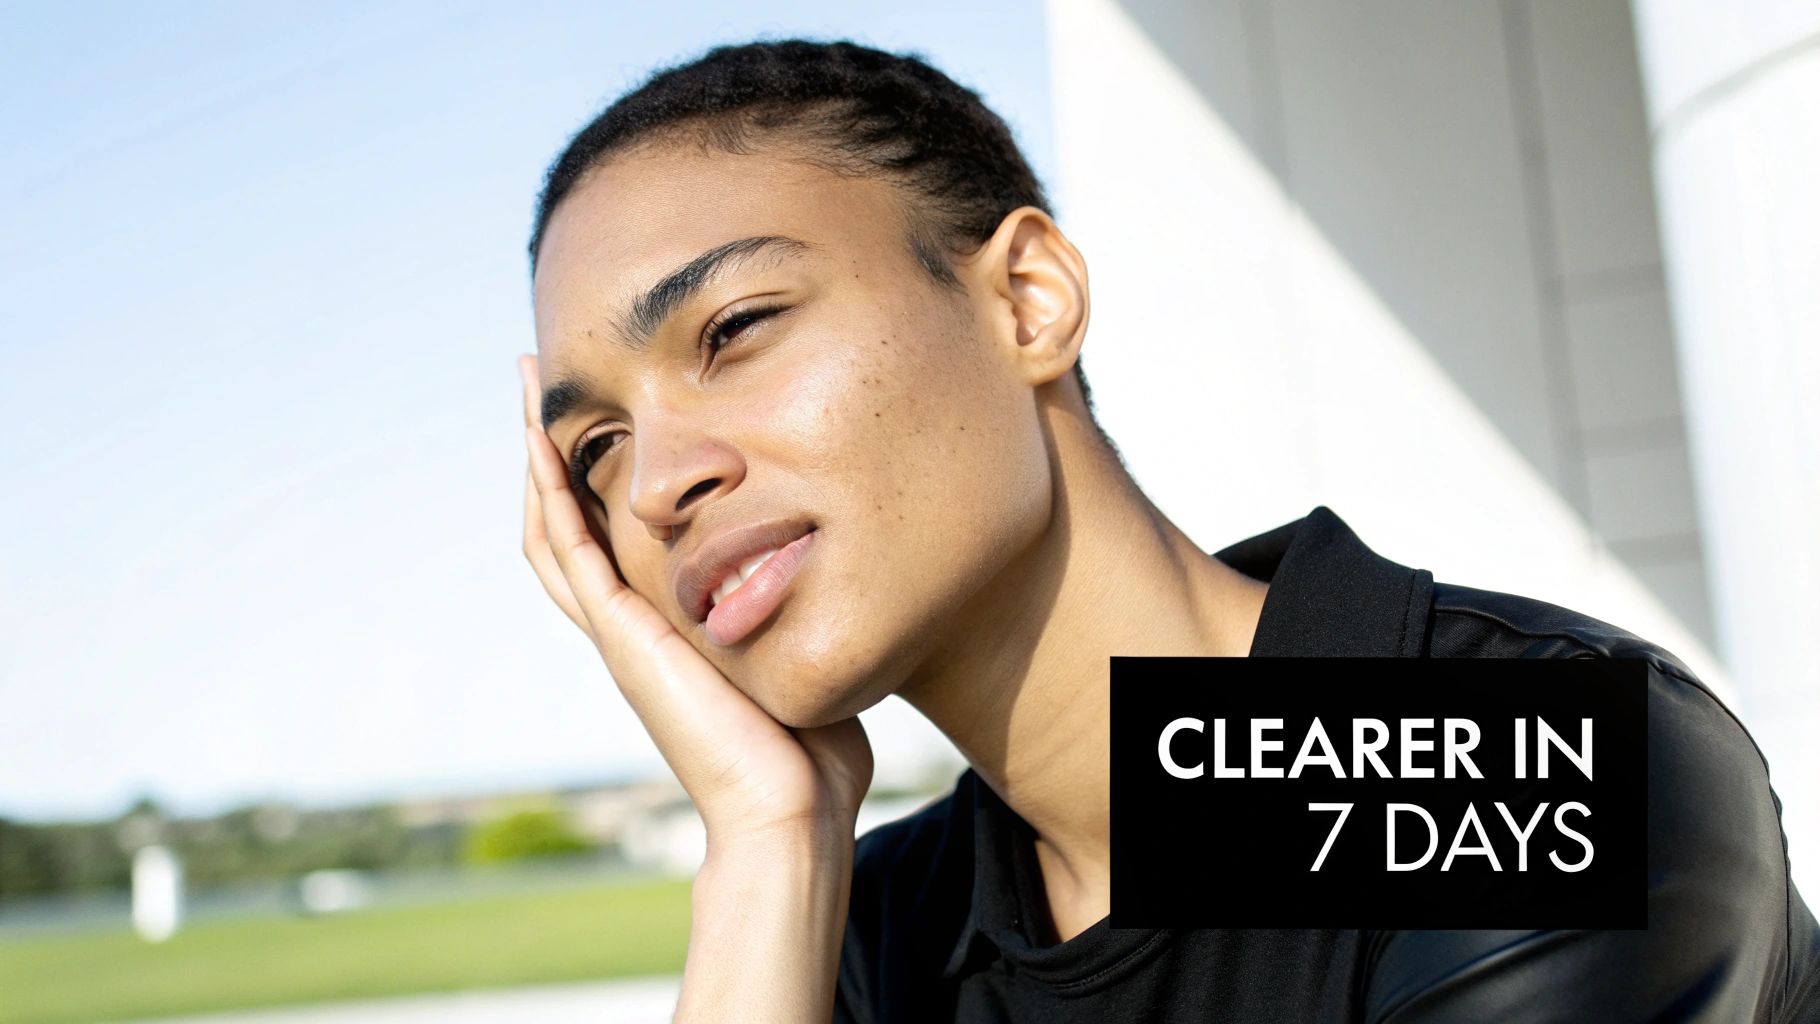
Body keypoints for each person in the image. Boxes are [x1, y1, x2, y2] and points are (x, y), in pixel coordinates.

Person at [515, 38, 1820, 1023]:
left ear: (1028, 300)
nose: (654, 487)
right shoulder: (865, 932)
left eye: (735, 330)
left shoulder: (1527, 771)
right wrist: (766, 849)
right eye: (596, 448)